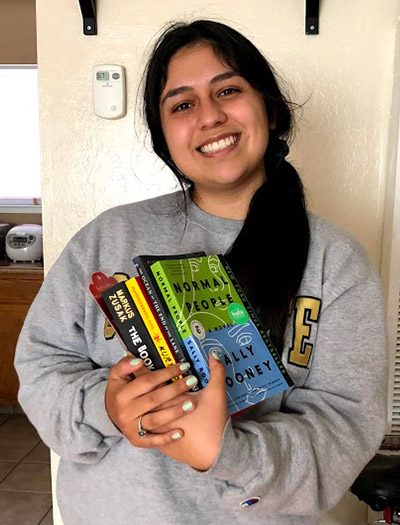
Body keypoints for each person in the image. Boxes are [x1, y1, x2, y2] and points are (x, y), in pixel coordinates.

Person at [15, 19, 388, 525]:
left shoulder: (334, 261)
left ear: (271, 110)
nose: (210, 117)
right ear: (164, 135)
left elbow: (345, 428)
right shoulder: (106, 239)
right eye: (183, 104)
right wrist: (106, 406)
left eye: (228, 90)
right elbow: (40, 367)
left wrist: (226, 450)